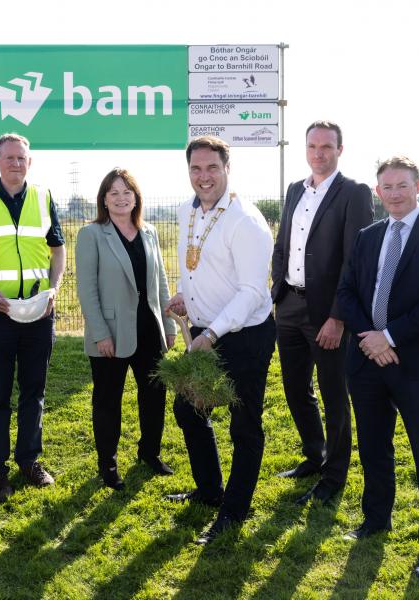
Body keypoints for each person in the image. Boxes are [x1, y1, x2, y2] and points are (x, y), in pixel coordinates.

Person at [337, 156, 419, 580]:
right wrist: (371, 338)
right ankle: (375, 519)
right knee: (373, 446)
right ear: (377, 191)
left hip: (417, 363)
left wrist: (388, 338)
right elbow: (347, 291)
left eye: (402, 185)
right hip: (366, 361)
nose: (395, 193)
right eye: (386, 187)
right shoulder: (368, 236)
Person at [165, 136, 276, 545]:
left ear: (228, 168)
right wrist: (184, 295)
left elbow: (250, 291)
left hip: (245, 336)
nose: (204, 177)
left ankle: (234, 511)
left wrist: (211, 333)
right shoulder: (186, 211)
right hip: (205, 332)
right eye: (196, 168)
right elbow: (193, 265)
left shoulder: (246, 220)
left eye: (212, 168)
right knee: (188, 409)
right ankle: (211, 490)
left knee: (245, 425)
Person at [0, 133, 66, 502]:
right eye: (9, 158)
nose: (16, 163)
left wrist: (53, 289)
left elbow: (58, 252)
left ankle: (29, 461)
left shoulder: (44, 197)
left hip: (38, 311)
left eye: (21, 158)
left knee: (34, 392)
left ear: (29, 162)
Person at [271, 120, 373, 505]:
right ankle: (315, 456)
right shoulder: (295, 189)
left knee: (334, 395)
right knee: (296, 388)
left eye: (326, 146)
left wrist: (338, 317)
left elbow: (355, 260)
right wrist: (276, 288)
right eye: (312, 146)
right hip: (289, 305)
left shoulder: (354, 193)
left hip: (327, 313)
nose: (319, 153)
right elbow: (283, 243)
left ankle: (334, 476)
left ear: (339, 150)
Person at [75, 168, 176, 490]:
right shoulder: (91, 235)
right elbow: (87, 289)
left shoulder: (149, 233)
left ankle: (150, 453)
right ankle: (108, 464)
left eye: (127, 192)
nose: (121, 198)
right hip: (111, 334)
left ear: (136, 197)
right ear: (104, 199)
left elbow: (160, 281)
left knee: (154, 396)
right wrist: (100, 333)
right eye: (114, 193)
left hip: (150, 330)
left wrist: (169, 324)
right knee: (107, 401)